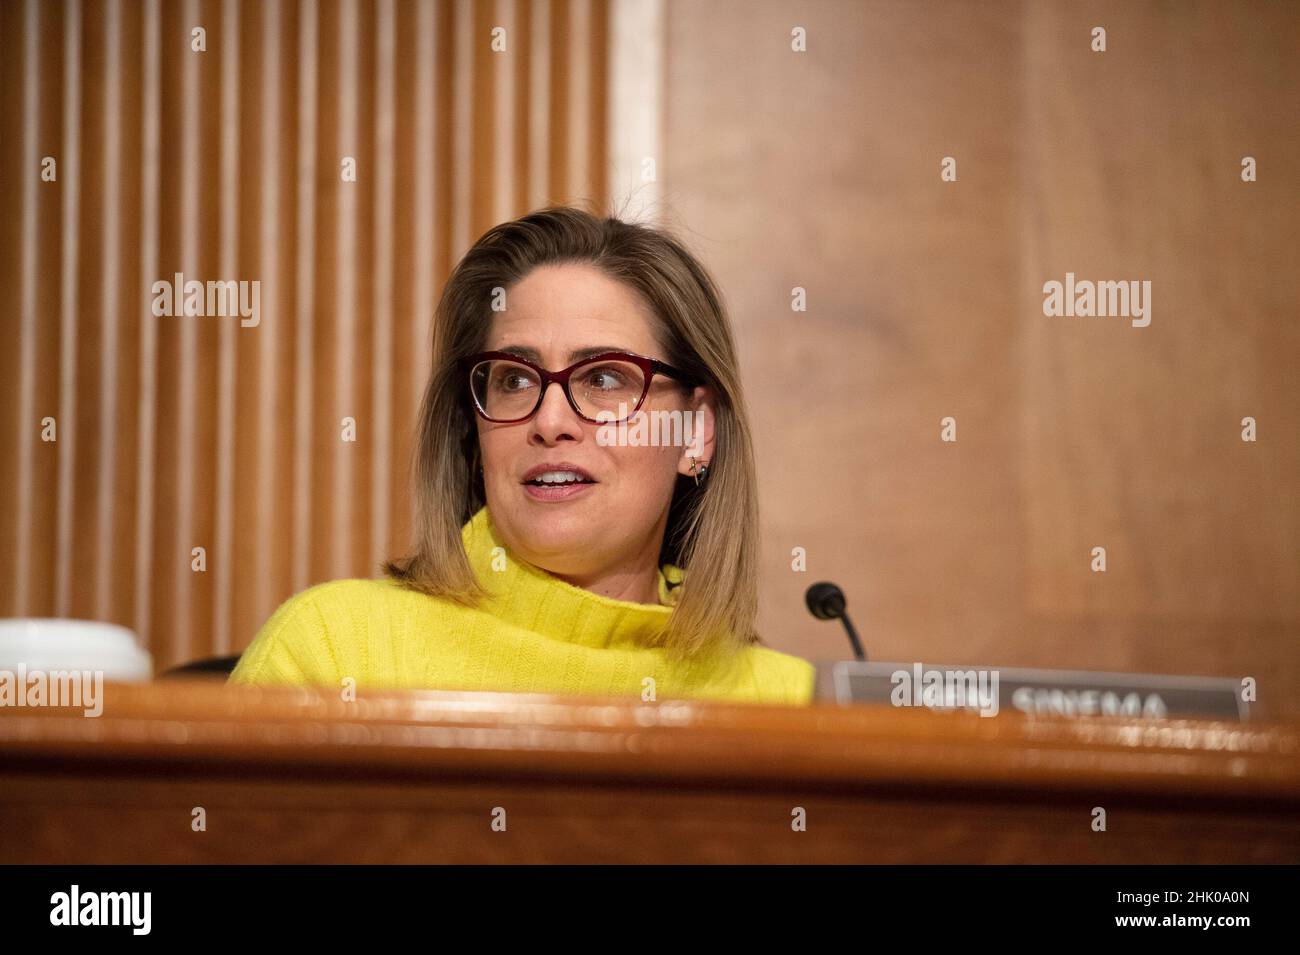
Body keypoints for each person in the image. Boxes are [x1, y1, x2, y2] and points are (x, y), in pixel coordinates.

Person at [229, 206, 814, 704]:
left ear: (695, 432)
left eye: (605, 379)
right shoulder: (335, 652)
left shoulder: (786, 703)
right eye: (513, 379)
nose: (549, 421)